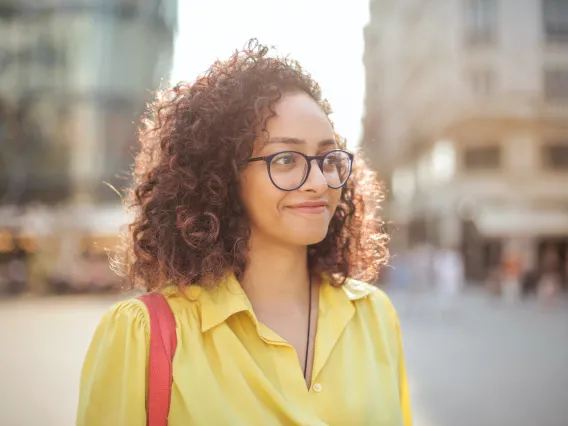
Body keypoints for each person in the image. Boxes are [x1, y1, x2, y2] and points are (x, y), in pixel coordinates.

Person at [77, 40, 412, 426]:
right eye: (286, 159)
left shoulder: (375, 316)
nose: (319, 181)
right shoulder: (145, 334)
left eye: (327, 157)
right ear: (221, 176)